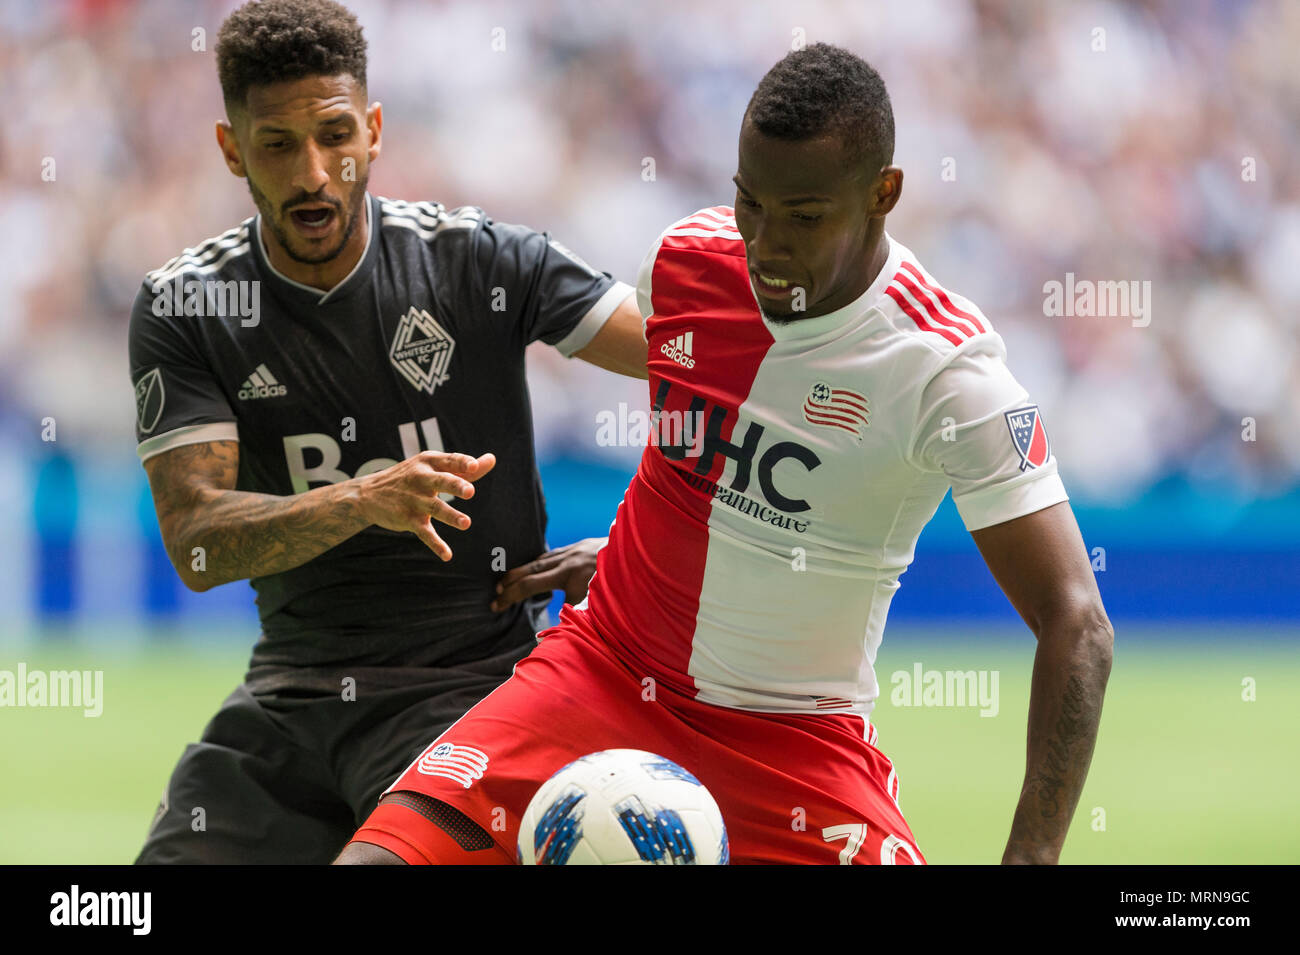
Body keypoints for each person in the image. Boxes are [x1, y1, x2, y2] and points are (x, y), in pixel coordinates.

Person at [337, 43, 1114, 866]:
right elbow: (700, 463)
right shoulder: (684, 265)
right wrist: (628, 558)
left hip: (794, 747)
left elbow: (1078, 624)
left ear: (883, 194)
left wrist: (1028, 860)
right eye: (750, 203)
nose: (766, 245)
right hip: (602, 672)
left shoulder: (946, 373)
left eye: (803, 215)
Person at [128, 0, 645, 864]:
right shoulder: (188, 305)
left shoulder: (477, 261)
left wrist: (637, 553)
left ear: (372, 131)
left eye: (335, 135)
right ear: (231, 149)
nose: (314, 174)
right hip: (289, 698)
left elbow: (694, 362)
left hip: (471, 693)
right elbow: (198, 547)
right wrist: (364, 498)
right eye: (278, 145)